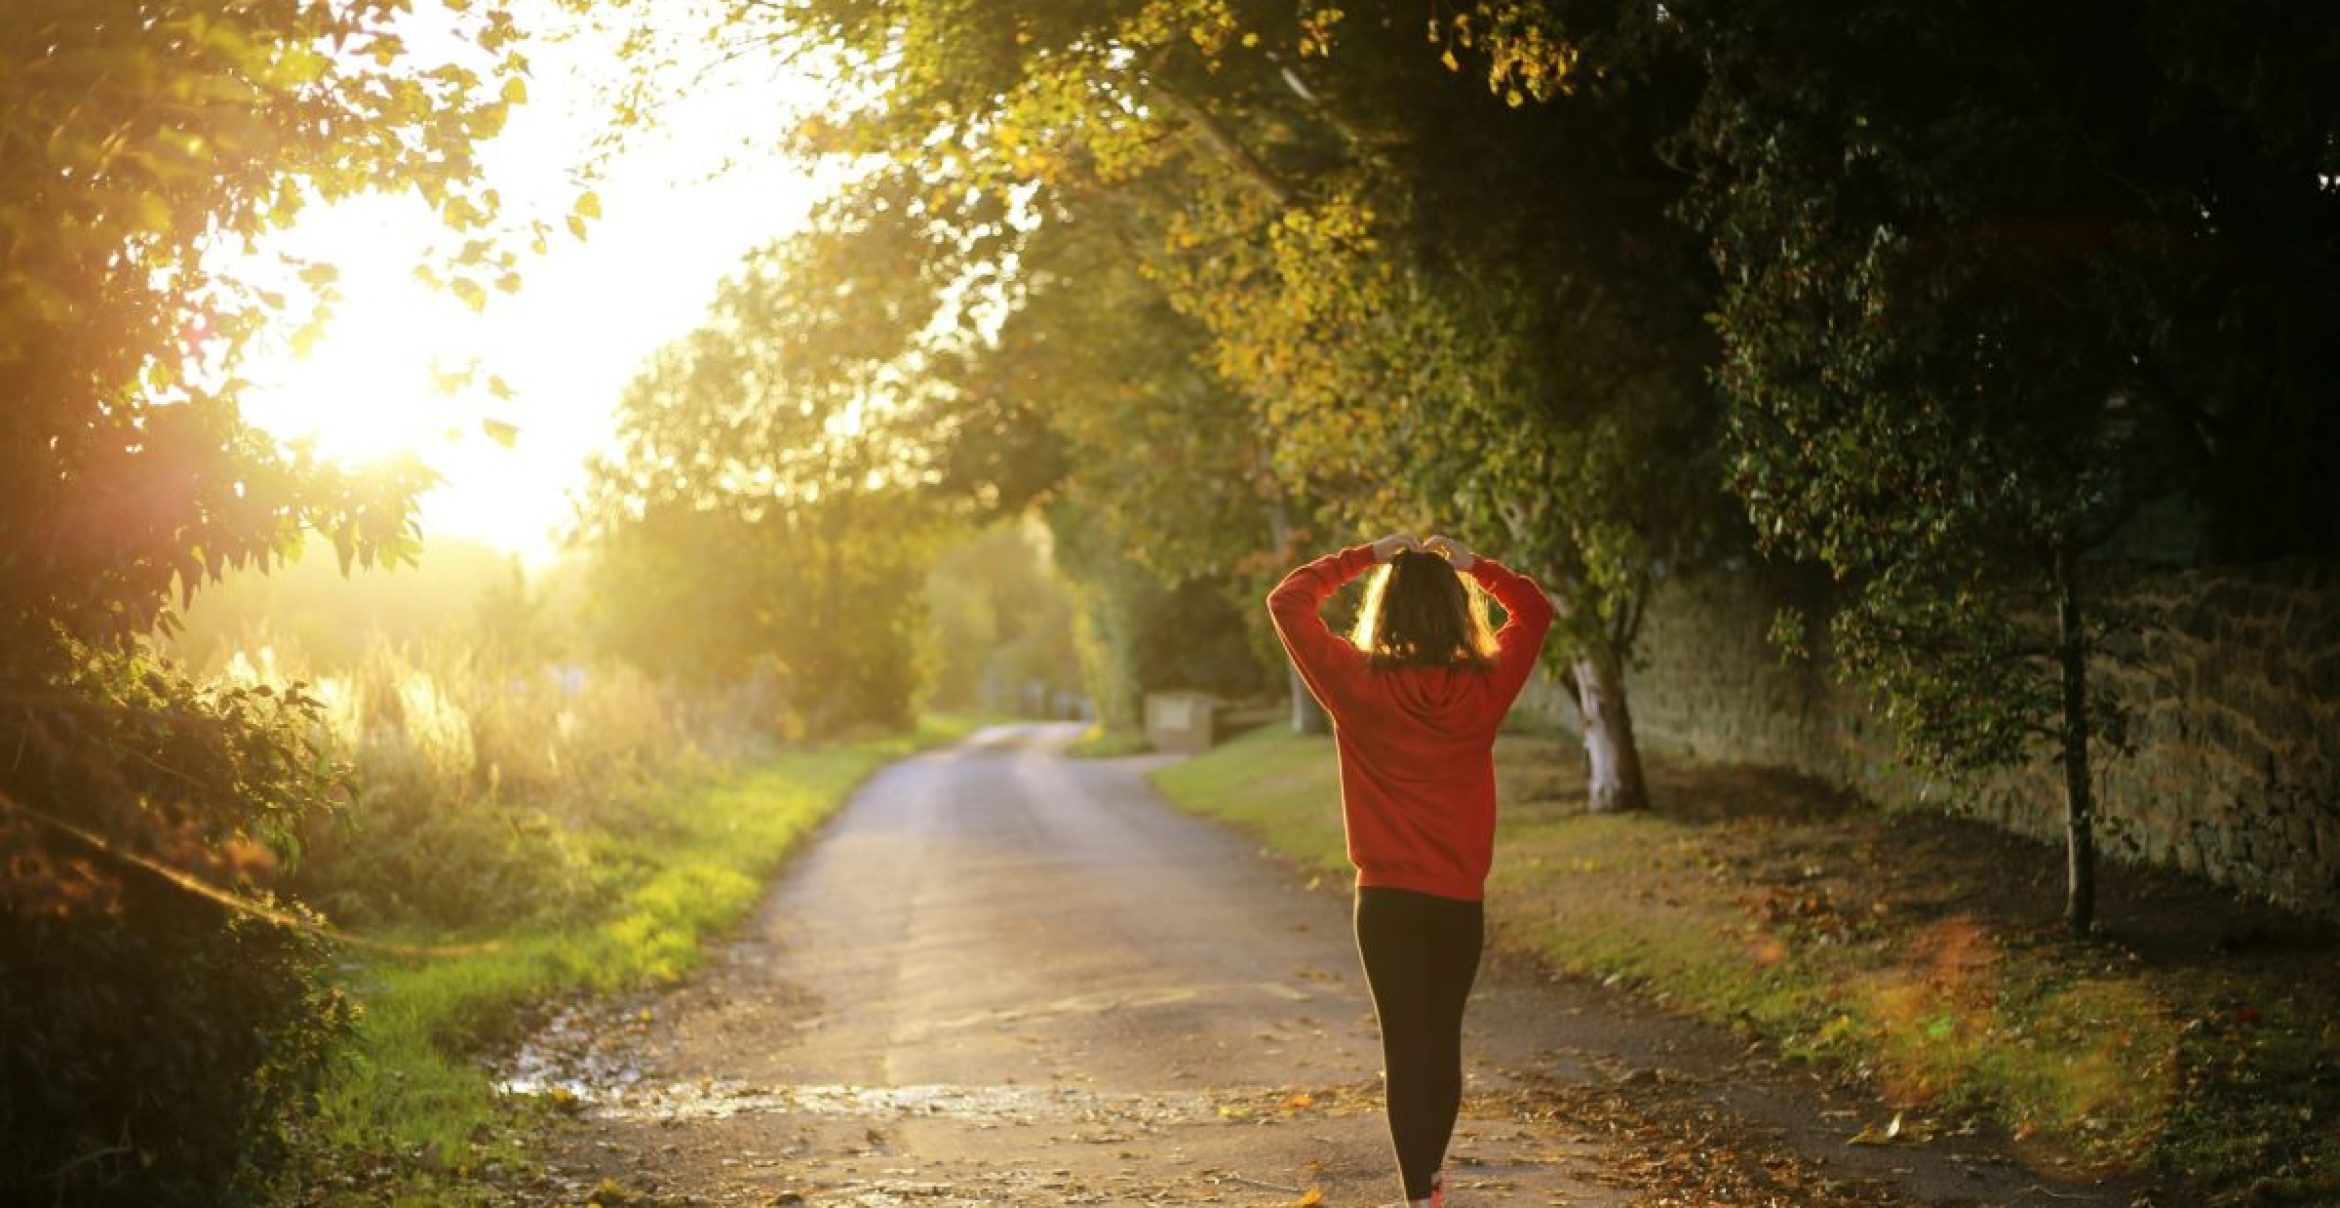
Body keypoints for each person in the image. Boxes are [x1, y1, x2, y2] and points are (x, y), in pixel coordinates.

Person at [1265, 532, 1556, 1208]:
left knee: (1405, 1049)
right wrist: (1474, 565)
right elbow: (1535, 611)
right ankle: (1430, 1184)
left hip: (1387, 901)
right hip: (1458, 901)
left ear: (1386, 611)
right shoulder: (1483, 686)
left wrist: (1366, 555)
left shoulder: (1357, 683)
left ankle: (1419, 1196)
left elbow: (1288, 601)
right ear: (1457, 612)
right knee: (1442, 1039)